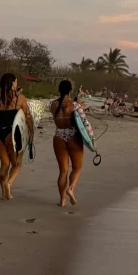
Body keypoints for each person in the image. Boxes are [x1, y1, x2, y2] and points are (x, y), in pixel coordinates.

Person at [0, 73, 34, 201]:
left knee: (4, 164)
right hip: (13, 133)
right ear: (13, 83)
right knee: (17, 164)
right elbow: (28, 117)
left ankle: (4, 192)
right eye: (16, 82)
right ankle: (8, 183)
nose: (16, 84)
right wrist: (32, 132)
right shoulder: (20, 99)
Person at [50, 79, 93, 207]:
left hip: (59, 136)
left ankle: (62, 200)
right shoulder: (75, 105)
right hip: (73, 137)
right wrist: (92, 141)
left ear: (59, 90)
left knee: (63, 170)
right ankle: (71, 189)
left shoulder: (52, 104)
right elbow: (84, 123)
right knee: (77, 167)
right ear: (70, 90)